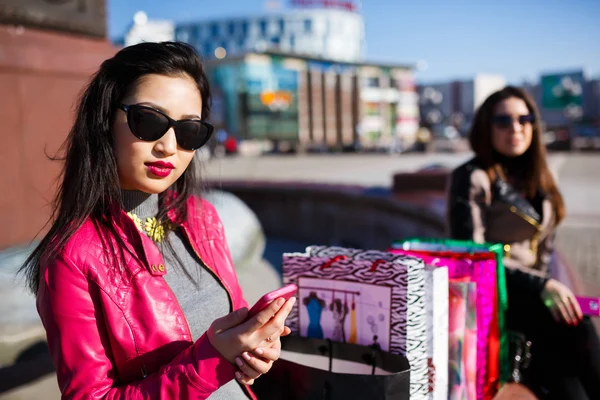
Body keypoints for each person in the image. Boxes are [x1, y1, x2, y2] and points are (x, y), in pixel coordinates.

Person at [20, 41, 295, 399]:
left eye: (189, 130)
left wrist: (255, 352)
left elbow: (234, 326)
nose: (168, 145)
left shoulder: (203, 217)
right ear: (104, 120)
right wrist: (211, 360)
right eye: (148, 121)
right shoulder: (71, 258)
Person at [447, 86, 600, 399]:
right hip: (496, 297)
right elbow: (473, 255)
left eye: (523, 119)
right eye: (502, 121)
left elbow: (544, 248)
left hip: (535, 297)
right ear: (486, 128)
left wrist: (544, 287)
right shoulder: (472, 176)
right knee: (577, 331)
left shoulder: (543, 177)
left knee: (571, 361)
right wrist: (541, 286)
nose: (515, 128)